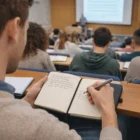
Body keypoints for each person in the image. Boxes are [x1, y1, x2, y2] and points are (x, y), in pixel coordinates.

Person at [0, 0, 122, 140]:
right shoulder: (43, 129)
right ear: (14, 28)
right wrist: (108, 112)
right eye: (26, 29)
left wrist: (25, 102)